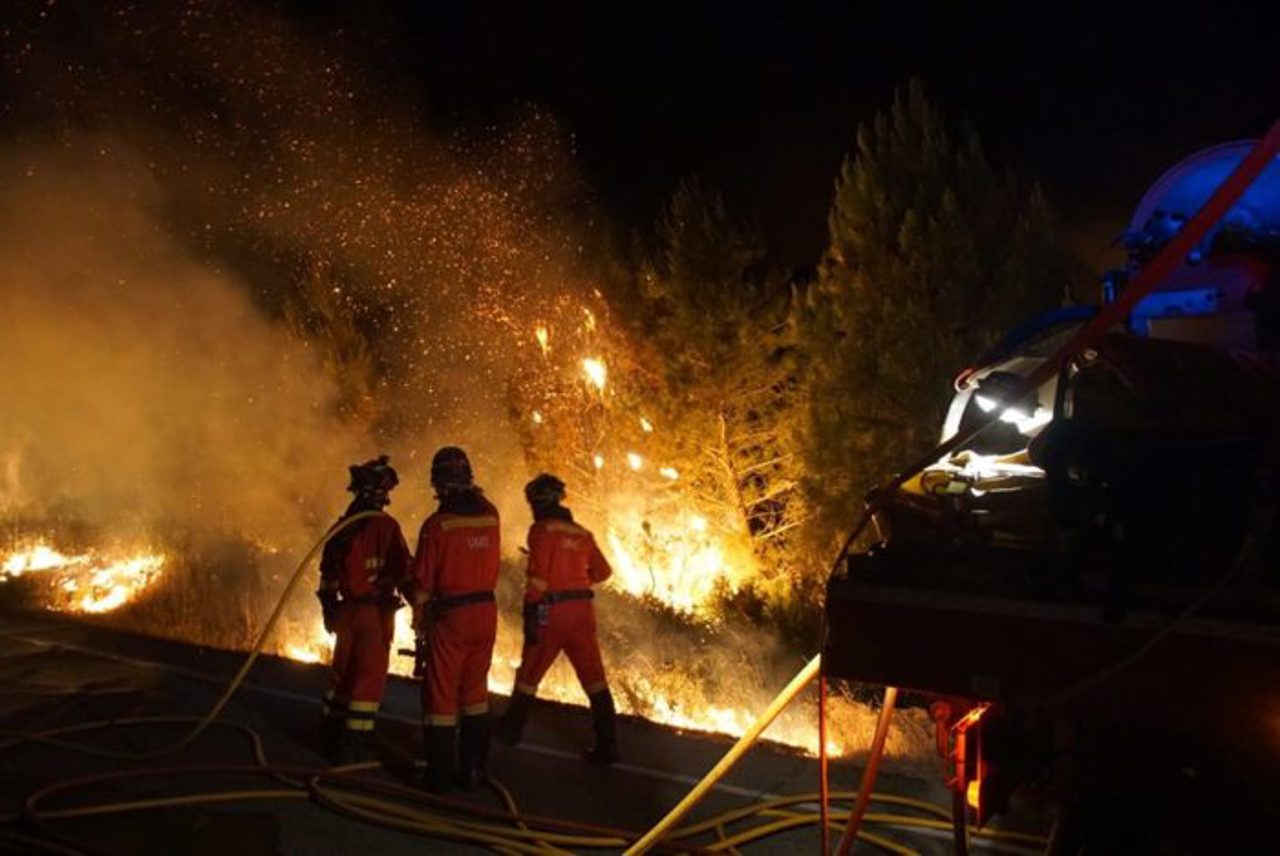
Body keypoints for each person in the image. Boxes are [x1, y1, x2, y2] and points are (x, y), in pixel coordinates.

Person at [496, 473, 618, 764]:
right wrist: (577, 580)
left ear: (537, 500)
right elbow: (603, 573)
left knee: (529, 673)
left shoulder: (541, 530)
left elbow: (538, 579)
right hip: (582, 612)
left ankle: (511, 731)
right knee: (594, 678)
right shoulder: (582, 534)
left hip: (553, 612)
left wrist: (530, 610)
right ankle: (608, 746)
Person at [411, 446, 501, 791]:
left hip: (452, 617)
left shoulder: (437, 525)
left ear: (438, 483)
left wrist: (419, 618)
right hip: (486, 613)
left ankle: (438, 776)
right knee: (475, 692)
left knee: (441, 695)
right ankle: (473, 769)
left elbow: (421, 584)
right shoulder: (491, 514)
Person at [316, 455, 412, 765]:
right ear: (380, 493)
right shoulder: (387, 528)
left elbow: (327, 576)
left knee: (342, 676)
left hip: (346, 613)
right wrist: (422, 608)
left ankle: (329, 732)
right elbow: (404, 573)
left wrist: (330, 611)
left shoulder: (341, 527)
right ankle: (353, 745)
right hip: (374, 615)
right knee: (367, 682)